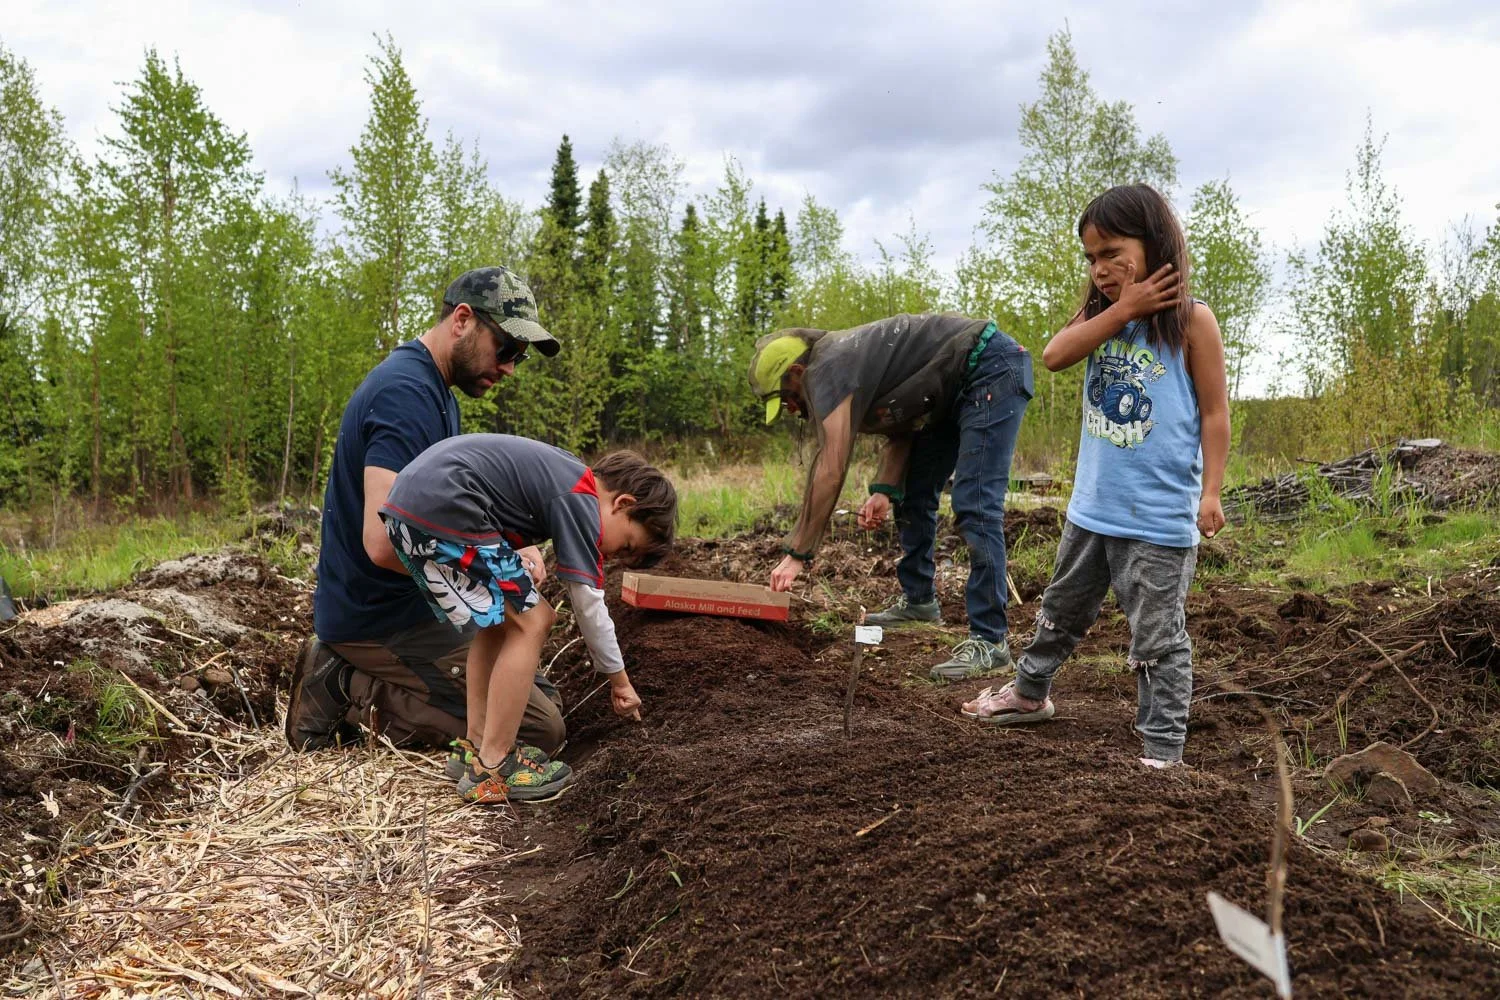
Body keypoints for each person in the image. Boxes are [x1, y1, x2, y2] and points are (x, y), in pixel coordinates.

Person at [960, 183, 1230, 769]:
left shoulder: (1192, 322)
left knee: (1157, 638)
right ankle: (1030, 694)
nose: (1102, 268)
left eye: (1112, 252)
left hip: (1158, 519)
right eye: (1091, 257)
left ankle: (1162, 753)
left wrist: (1211, 492)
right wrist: (1122, 309)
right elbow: (1055, 355)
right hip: (1092, 508)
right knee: (1060, 609)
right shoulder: (1104, 315)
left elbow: (1215, 413)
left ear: (1154, 242)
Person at [286, 266, 567, 763]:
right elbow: (380, 539)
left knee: (537, 696)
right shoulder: (405, 396)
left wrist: (511, 540)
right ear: (462, 320)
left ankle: (363, 677)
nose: (510, 369)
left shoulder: (435, 391)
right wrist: (495, 571)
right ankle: (346, 683)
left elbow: (443, 507)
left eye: (519, 357)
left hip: (419, 608)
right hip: (381, 619)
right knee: (537, 732)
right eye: (506, 350)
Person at [380, 437, 676, 802]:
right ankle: (494, 766)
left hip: (414, 507)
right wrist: (619, 680)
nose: (613, 554)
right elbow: (588, 605)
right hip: (445, 506)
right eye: (627, 545)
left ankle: (474, 748)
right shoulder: (582, 501)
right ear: (623, 503)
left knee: (498, 624)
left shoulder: (569, 478)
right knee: (535, 621)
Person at [747, 313, 1032, 682]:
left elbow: (831, 466)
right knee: (912, 497)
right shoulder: (848, 362)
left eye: (787, 397)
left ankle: (990, 642)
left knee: (974, 503)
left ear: (799, 372)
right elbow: (903, 422)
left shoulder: (828, 368)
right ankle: (919, 601)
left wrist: (797, 553)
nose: (789, 409)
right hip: (950, 391)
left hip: (988, 368)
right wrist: (884, 489)